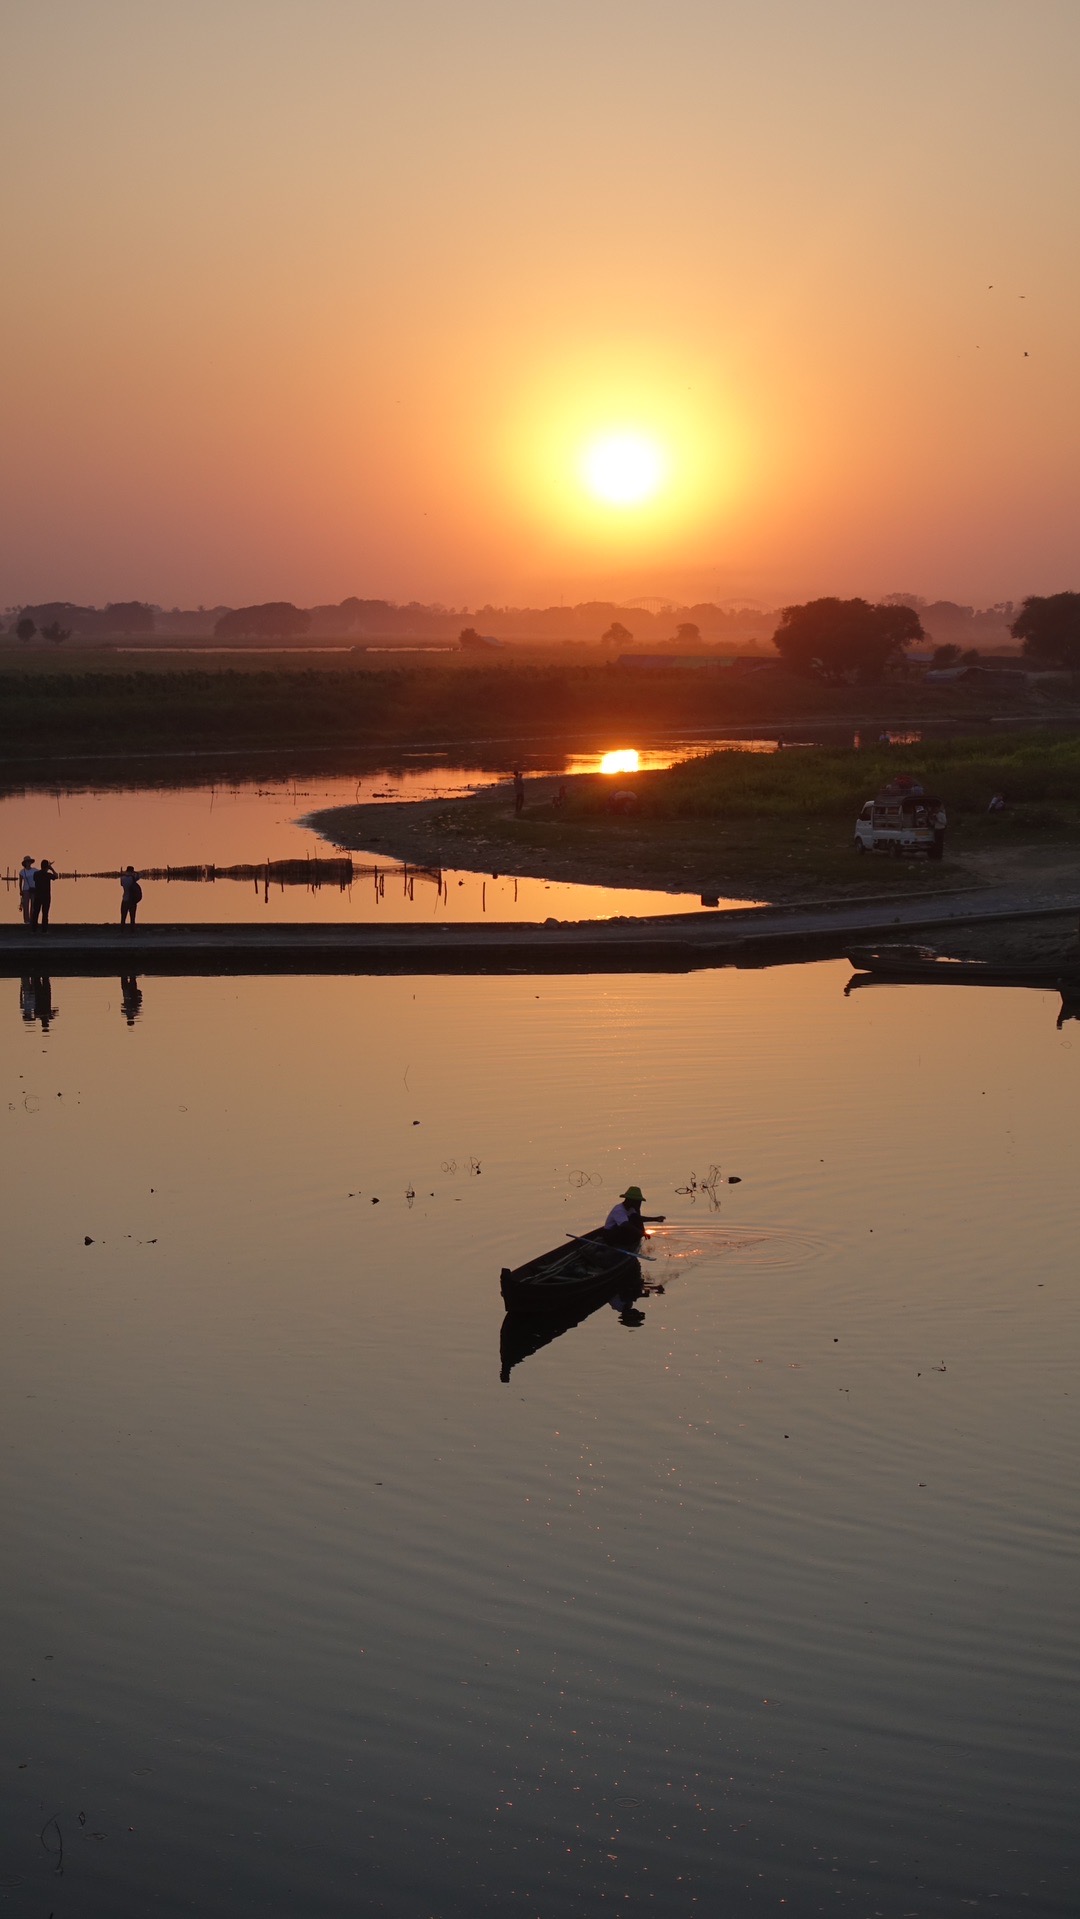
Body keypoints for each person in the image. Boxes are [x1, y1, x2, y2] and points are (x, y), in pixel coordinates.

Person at [31, 859, 55, 927]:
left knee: (35, 913)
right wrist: (51, 869)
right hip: (46, 896)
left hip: (37, 895)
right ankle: (44, 929)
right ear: (47, 867)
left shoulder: (36, 874)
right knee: (45, 913)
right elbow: (56, 876)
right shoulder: (48, 875)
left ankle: (34, 929)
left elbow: (34, 879)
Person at [18, 856, 36, 925]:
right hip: (25, 889)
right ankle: (26, 920)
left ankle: (32, 919)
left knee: (33, 905)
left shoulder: (34, 870)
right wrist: (20, 890)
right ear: (25, 863)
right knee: (25, 905)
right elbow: (20, 882)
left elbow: (41, 874)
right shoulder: (22, 872)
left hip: (33, 889)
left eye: (29, 861)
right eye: (27, 862)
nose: (28, 863)